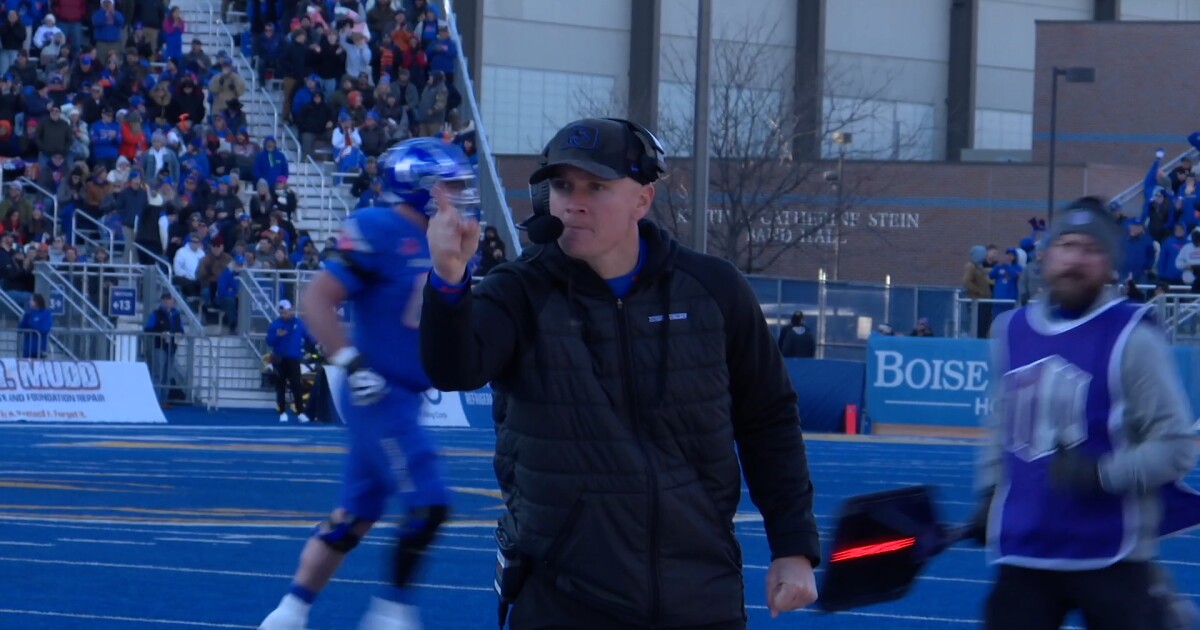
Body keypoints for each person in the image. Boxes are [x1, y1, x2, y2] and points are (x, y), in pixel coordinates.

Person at [419, 117, 820, 629]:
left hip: (700, 595)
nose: (574, 202)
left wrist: (793, 546)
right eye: (562, 186)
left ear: (643, 200)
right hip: (563, 596)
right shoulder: (518, 291)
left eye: (597, 187)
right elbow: (452, 368)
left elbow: (768, 420)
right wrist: (450, 280)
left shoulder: (713, 290)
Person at [257, 138, 472, 630]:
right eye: (451, 184)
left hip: (407, 396)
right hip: (378, 392)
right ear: (419, 188)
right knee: (430, 502)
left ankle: (289, 612)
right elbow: (317, 299)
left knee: (356, 515)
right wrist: (352, 363)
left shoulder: (449, 240)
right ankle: (391, 614)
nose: (460, 194)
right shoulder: (380, 228)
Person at [971, 196, 1200, 630]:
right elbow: (1001, 424)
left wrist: (1102, 475)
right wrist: (988, 494)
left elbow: (1176, 447)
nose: (1076, 260)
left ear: (1111, 264)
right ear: (1047, 254)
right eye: (1068, 245)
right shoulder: (1010, 331)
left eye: (1092, 250)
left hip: (1110, 555)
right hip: (1026, 553)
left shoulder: (1134, 337)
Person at [266, 298, 314, 423]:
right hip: (280, 359)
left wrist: (317, 344)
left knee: (296, 385)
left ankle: (300, 412)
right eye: (283, 312)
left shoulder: (299, 323)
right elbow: (269, 341)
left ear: (291, 310)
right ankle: (282, 411)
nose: (285, 314)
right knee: (280, 386)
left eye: (287, 311)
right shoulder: (275, 325)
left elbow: (309, 337)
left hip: (294, 359)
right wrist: (278, 336)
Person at [18, 293, 51, 358]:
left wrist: (32, 323)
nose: (29, 302)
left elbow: (45, 329)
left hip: (39, 350)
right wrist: (25, 318)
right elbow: (20, 329)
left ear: (36, 302)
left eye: (31, 300)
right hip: (27, 350)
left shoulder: (45, 314)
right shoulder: (28, 314)